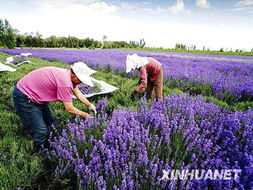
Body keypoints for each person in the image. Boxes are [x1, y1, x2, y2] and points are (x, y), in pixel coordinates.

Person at [12, 62, 97, 147]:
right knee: (41, 131)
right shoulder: (65, 83)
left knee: (51, 122)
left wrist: (90, 105)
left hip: (35, 94)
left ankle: (49, 141)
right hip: (24, 96)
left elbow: (77, 92)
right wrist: (85, 115)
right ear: (75, 75)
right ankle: (39, 151)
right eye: (80, 80)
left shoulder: (67, 74)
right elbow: (69, 109)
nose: (80, 83)